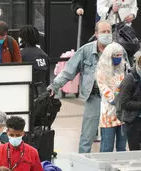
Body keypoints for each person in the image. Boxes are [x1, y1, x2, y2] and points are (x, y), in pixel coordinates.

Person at [48, 20, 114, 154]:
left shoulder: (117, 50)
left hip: (112, 100)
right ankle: (82, 166)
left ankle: (104, 169)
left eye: (109, 31)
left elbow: (127, 72)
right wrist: (54, 87)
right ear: (96, 34)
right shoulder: (86, 50)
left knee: (108, 140)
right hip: (93, 96)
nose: (106, 34)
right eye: (103, 32)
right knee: (86, 137)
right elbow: (68, 71)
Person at [96, 42, 127, 152]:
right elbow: (106, 91)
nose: (118, 58)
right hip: (108, 116)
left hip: (122, 115)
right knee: (107, 147)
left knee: (121, 147)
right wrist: (118, 98)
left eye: (120, 55)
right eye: (115, 55)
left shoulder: (122, 70)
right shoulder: (101, 73)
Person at [19, 25, 49, 97]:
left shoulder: (21, 55)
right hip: (43, 95)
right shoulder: (44, 55)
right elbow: (47, 79)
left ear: (23, 38)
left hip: (26, 95)